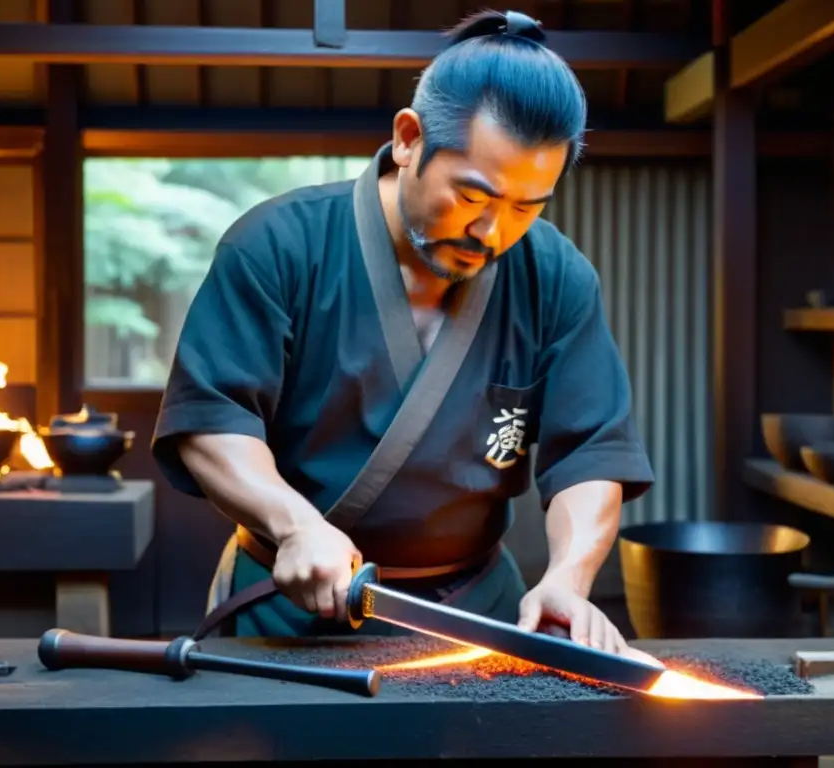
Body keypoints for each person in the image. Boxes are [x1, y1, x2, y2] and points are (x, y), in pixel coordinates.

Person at [152, 8, 656, 659]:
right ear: (410, 138)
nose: (494, 233)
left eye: (527, 207)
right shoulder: (278, 245)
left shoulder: (554, 276)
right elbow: (212, 419)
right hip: (289, 609)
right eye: (474, 197)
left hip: (474, 612)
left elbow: (590, 451)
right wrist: (295, 523)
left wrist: (568, 578)